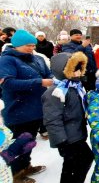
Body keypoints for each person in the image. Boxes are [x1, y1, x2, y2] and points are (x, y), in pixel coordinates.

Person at [0, 29, 53, 182]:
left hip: (36, 108)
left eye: (33, 45)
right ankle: (15, 174)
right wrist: (39, 82)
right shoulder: (7, 60)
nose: (32, 48)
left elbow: (47, 74)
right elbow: (8, 83)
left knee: (29, 142)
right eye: (28, 45)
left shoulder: (37, 59)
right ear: (17, 45)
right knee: (17, 144)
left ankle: (25, 165)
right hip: (19, 110)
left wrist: (51, 79)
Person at [42, 52, 94, 183]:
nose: (79, 72)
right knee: (84, 159)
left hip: (76, 132)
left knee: (71, 165)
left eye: (80, 69)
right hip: (67, 138)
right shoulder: (56, 92)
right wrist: (61, 142)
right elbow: (52, 119)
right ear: (64, 70)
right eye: (75, 69)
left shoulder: (75, 86)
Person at [0, 100, 37, 183]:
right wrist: (6, 156)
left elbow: (3, 144)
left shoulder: (1, 128)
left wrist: (17, 146)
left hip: (5, 175)